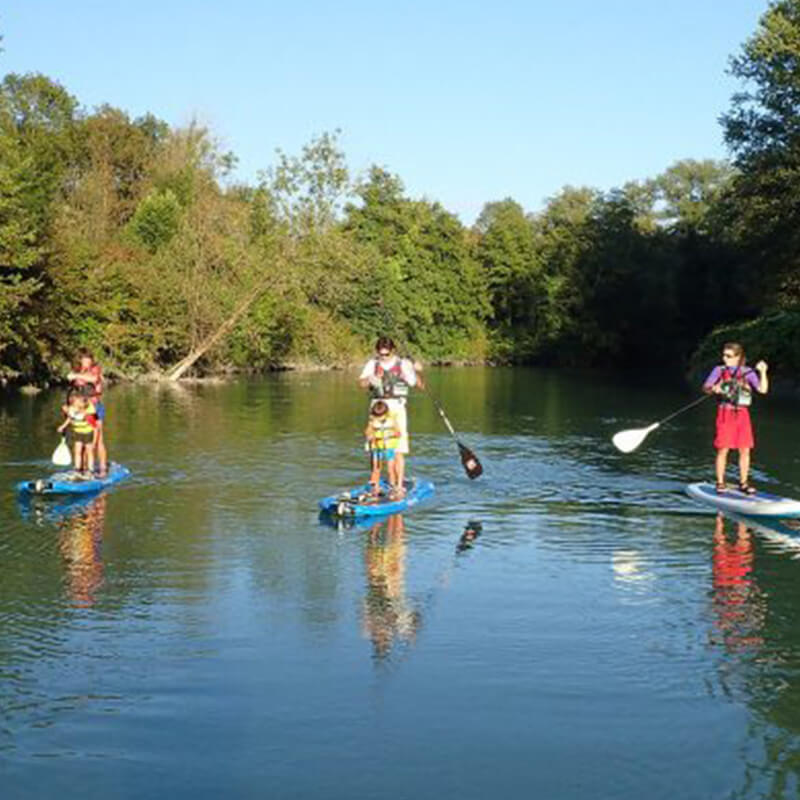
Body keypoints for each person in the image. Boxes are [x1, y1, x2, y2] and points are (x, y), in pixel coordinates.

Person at [358, 337, 423, 496]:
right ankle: (375, 484)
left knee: (398, 448)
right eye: (380, 354)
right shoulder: (372, 364)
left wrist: (415, 370)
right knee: (375, 447)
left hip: (396, 407)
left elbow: (420, 385)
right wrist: (370, 379)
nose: (383, 357)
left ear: (392, 351)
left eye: (386, 354)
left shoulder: (403, 364)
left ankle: (397, 485)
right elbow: (361, 383)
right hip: (377, 407)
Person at [702, 342, 768, 494]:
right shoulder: (719, 370)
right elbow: (706, 387)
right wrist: (713, 388)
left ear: (739, 357)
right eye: (724, 355)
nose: (725, 359)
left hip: (742, 414)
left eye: (729, 356)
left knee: (745, 450)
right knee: (723, 449)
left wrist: (763, 372)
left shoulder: (748, 372)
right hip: (725, 413)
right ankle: (720, 483)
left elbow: (762, 390)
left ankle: (743, 484)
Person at [67, 350, 108, 476]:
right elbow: (73, 392)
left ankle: (102, 469)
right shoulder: (77, 371)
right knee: (82, 442)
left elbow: (94, 379)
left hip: (95, 408)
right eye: (84, 359)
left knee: (96, 441)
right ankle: (83, 469)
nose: (87, 362)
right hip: (79, 410)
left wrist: (76, 376)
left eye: (89, 359)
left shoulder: (94, 370)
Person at [365, 400, 401, 496]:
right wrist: (370, 436)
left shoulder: (392, 420)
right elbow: (368, 431)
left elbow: (398, 433)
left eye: (380, 416)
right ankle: (375, 487)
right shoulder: (372, 420)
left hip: (389, 447)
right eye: (377, 416)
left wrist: (391, 434)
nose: (379, 418)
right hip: (377, 448)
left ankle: (393, 486)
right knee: (376, 468)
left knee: (390, 468)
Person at [58, 391, 98, 476]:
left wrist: (94, 441)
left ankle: (90, 470)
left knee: (89, 451)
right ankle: (77, 469)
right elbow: (69, 419)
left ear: (80, 406)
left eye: (74, 406)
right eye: (72, 405)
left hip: (88, 433)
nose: (72, 407)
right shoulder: (72, 411)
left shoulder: (87, 415)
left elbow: (95, 428)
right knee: (77, 451)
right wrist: (63, 426)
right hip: (77, 433)